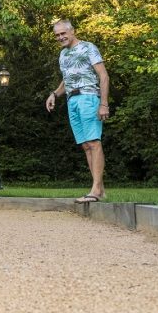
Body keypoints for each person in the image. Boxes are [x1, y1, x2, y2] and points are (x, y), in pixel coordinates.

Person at [45, 19, 110, 203]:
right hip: (72, 100)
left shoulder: (88, 47)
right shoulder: (63, 55)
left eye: (63, 33)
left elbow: (103, 76)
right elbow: (67, 80)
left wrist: (103, 104)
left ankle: (96, 190)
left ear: (72, 31)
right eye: (57, 35)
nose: (60, 37)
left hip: (89, 97)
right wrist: (54, 94)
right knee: (85, 145)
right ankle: (99, 189)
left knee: (94, 142)